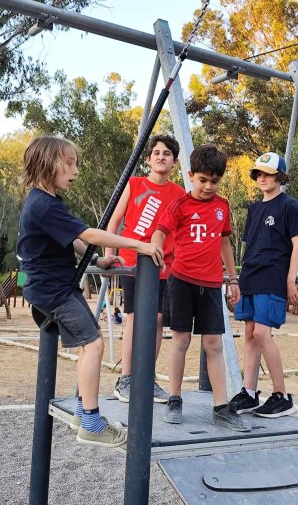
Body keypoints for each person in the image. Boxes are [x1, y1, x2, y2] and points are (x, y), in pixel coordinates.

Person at [16, 136, 164, 448]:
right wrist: (139, 244)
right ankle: (92, 425)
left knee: (91, 341)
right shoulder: (42, 204)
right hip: (51, 289)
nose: (76, 171)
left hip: (59, 285)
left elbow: (72, 239)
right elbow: (88, 234)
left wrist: (97, 260)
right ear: (48, 165)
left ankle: (83, 414)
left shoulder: (49, 201)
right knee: (94, 345)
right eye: (69, 164)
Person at [152, 144, 251, 432]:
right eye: (203, 180)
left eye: (215, 181)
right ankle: (174, 399)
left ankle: (221, 407)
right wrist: (154, 250)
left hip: (211, 284)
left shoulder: (222, 207)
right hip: (181, 281)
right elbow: (159, 232)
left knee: (214, 344)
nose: (208, 187)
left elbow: (224, 242)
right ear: (191, 175)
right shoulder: (180, 205)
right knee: (181, 340)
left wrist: (233, 279)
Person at [106, 134, 184, 403]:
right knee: (135, 317)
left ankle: (146, 377)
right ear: (149, 159)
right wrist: (109, 255)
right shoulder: (134, 184)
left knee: (159, 320)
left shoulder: (179, 194)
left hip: (164, 264)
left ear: (175, 161)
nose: (161, 157)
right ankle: (126, 378)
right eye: (157, 153)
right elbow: (114, 221)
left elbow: (180, 231)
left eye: (167, 153)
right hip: (133, 260)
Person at [232, 152, 298, 418]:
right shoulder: (254, 209)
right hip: (250, 275)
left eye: (268, 174)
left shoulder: (288, 205)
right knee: (249, 334)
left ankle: (281, 396)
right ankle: (249, 392)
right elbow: (252, 245)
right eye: (258, 174)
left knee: (263, 333)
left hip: (272, 275)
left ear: (280, 177)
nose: (262, 178)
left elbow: (297, 244)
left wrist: (291, 279)